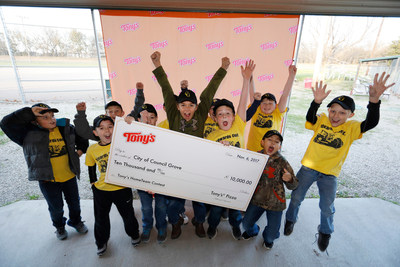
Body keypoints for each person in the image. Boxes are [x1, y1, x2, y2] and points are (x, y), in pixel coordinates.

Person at [284, 73, 395, 252]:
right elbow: (310, 118)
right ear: (328, 111)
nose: (336, 116)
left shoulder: (351, 128)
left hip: (330, 174)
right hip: (308, 168)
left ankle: (325, 232)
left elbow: (371, 123)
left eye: (342, 112)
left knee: (327, 206)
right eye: (333, 110)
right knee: (296, 197)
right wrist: (316, 102)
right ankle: (290, 219)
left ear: (350, 115)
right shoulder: (322, 120)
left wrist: (374, 102)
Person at [151, 50, 230, 239]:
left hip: (197, 164)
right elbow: (165, 88)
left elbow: (210, 91)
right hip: (176, 165)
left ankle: (199, 222)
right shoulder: (173, 113)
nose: (187, 108)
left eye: (191, 105)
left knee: (199, 200)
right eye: (183, 105)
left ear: (197, 107)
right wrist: (158, 65)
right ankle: (176, 222)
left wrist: (223, 69)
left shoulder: (201, 114)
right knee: (175, 201)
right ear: (177, 106)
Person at [0, 103, 89, 240]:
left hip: (69, 176)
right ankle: (59, 226)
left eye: (52, 116)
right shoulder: (27, 135)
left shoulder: (64, 128)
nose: (51, 119)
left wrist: (81, 149)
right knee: (56, 207)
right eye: (45, 117)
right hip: (48, 180)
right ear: (35, 121)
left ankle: (76, 221)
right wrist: (29, 112)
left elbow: (82, 135)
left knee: (74, 203)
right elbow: (6, 123)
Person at [205, 59, 255, 240]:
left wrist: (246, 79)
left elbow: (243, 102)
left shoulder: (238, 127)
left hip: (238, 177)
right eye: (220, 114)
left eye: (227, 113)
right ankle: (212, 227)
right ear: (215, 118)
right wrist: (219, 149)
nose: (224, 116)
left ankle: (235, 226)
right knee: (216, 209)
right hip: (220, 178)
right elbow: (208, 160)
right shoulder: (211, 136)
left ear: (233, 117)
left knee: (235, 209)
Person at [85, 115, 140, 256]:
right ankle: (101, 241)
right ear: (95, 132)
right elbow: (91, 167)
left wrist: (131, 122)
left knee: (128, 215)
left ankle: (134, 234)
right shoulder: (92, 149)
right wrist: (93, 184)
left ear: (115, 128)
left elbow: (137, 138)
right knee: (101, 218)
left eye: (110, 126)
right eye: (101, 128)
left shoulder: (122, 142)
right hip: (101, 191)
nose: (107, 131)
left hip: (122, 189)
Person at [241, 130, 298, 250]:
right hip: (257, 200)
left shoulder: (282, 162)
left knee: (271, 236)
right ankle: (253, 231)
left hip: (275, 203)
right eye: (269, 140)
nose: (272, 143)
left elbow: (294, 185)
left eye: (276, 142)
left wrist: (290, 179)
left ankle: (268, 237)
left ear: (279, 146)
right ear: (262, 142)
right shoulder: (255, 158)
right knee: (246, 224)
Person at [125, 103, 169, 244]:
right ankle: (147, 227)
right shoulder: (134, 136)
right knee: (145, 207)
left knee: (161, 206)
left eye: (151, 117)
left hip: (160, 179)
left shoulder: (164, 135)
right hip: (142, 180)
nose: (148, 121)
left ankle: (161, 227)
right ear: (138, 120)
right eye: (144, 118)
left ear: (156, 119)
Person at [246, 65, 297, 152]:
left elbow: (285, 95)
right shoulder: (256, 109)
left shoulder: (277, 113)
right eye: (264, 103)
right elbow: (252, 93)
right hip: (252, 149)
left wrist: (291, 76)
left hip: (269, 151)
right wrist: (250, 75)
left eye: (270, 103)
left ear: (276, 105)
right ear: (260, 104)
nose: (267, 106)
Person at [74, 82, 145, 140]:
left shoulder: (128, 121)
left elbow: (138, 108)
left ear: (122, 113)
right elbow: (84, 131)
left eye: (117, 111)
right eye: (110, 112)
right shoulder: (101, 130)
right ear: (105, 114)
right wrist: (81, 114)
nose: (114, 113)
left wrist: (139, 92)